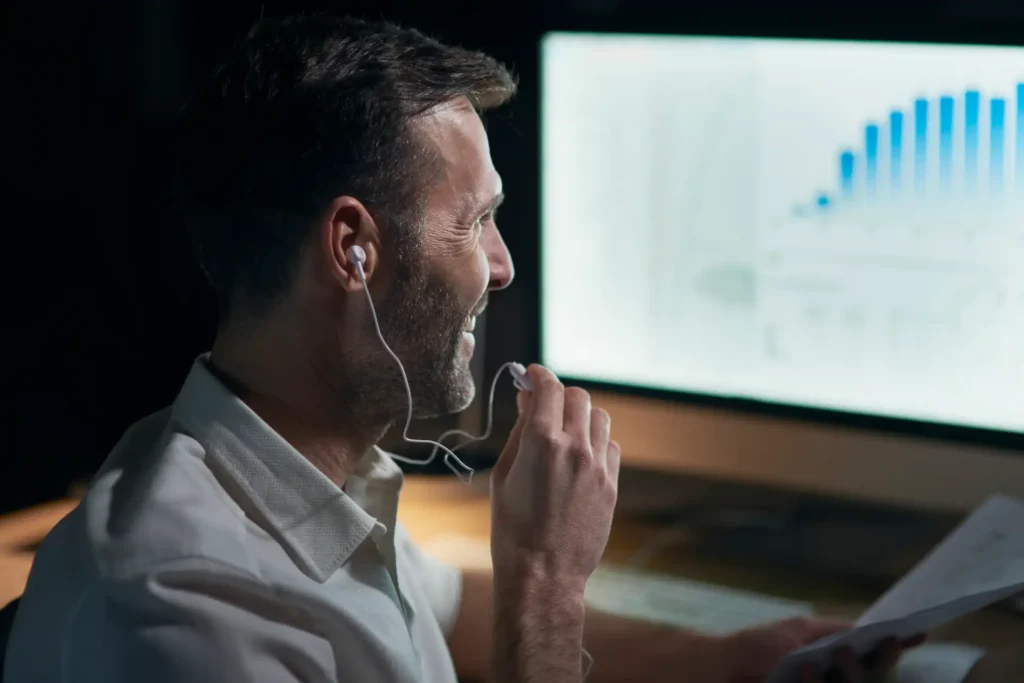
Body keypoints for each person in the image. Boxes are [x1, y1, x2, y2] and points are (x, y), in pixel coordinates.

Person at [4, 14, 919, 683]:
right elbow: (507, 615)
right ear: (353, 248)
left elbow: (446, 611)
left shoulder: (298, 467)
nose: (504, 264)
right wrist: (547, 582)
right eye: (477, 220)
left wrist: (733, 659)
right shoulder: (192, 620)